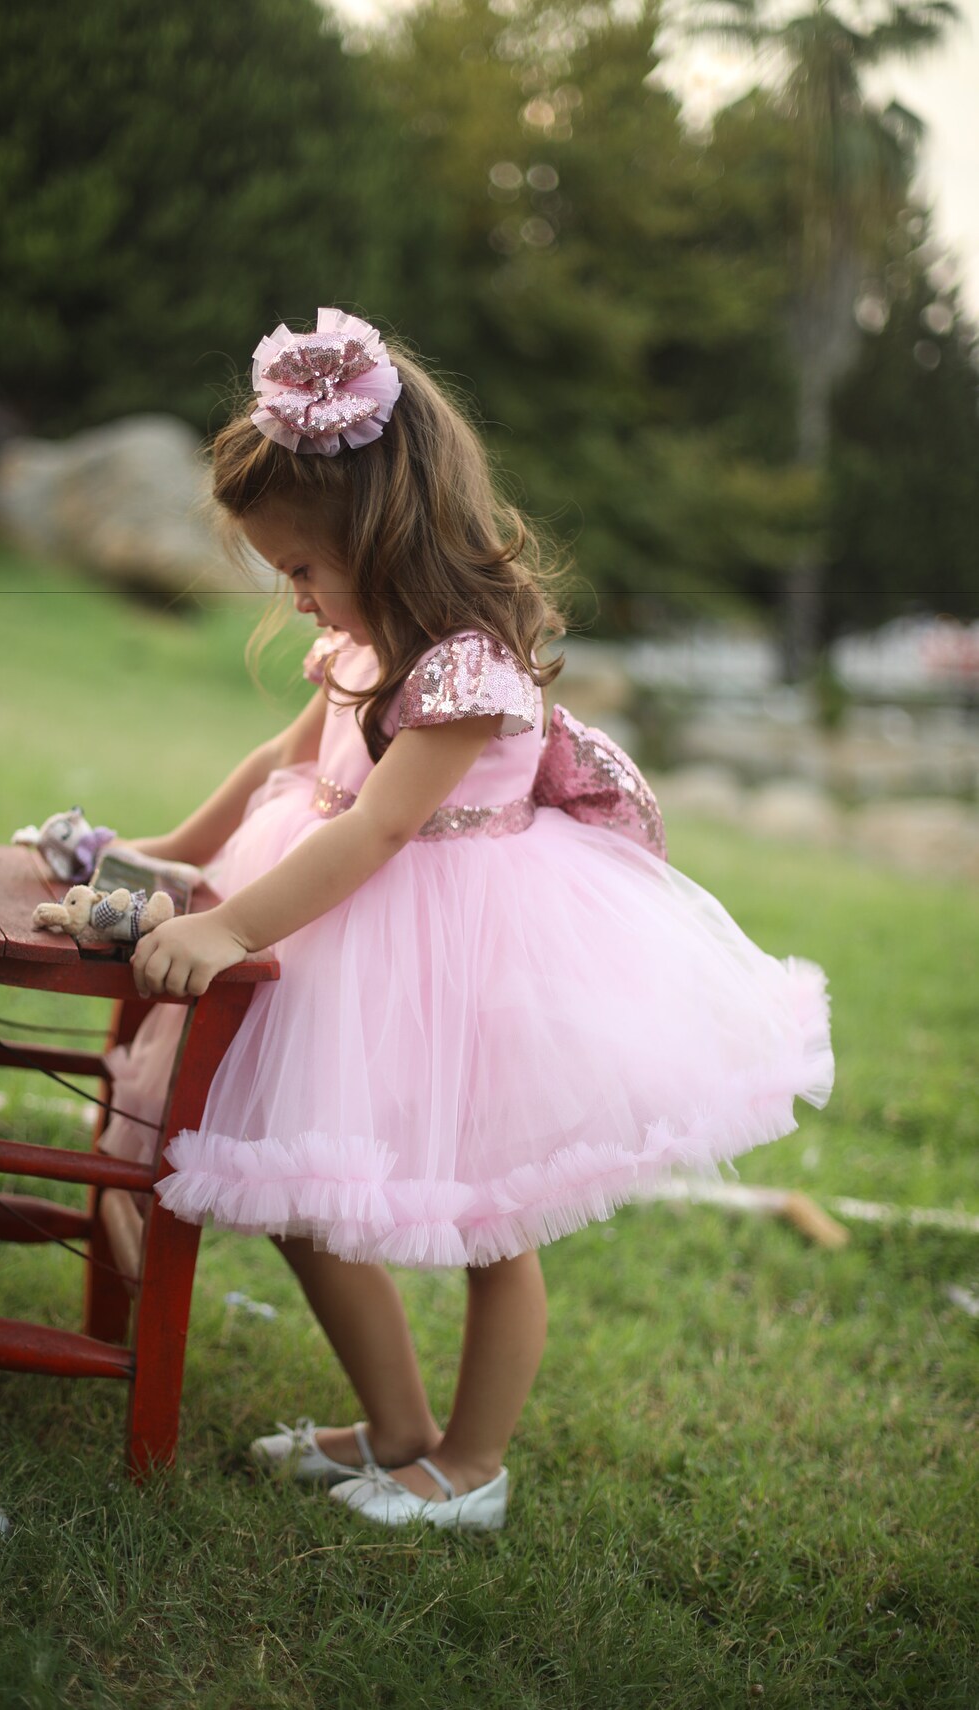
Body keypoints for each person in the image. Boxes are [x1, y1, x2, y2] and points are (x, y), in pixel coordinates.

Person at [104, 307, 833, 1533]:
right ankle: (395, 1430)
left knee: (495, 1223)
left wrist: (232, 931)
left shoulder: (464, 672)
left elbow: (378, 830)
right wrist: (171, 859)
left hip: (466, 957)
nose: (296, 596)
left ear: (378, 534)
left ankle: (471, 1464)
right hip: (347, 942)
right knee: (302, 1196)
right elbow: (284, 768)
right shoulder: (354, 644)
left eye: (302, 569)